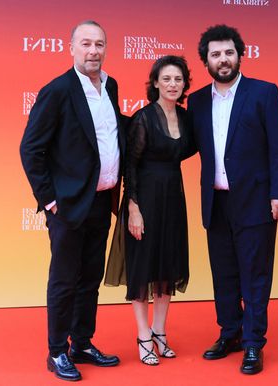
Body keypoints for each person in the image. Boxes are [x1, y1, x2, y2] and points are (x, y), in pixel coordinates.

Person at [20, 20, 123, 382]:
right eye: (85, 44)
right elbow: (30, 148)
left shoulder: (111, 86)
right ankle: (57, 352)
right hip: (67, 205)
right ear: (71, 48)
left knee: (90, 277)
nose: (93, 51)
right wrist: (49, 199)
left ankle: (81, 342)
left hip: (101, 201)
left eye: (99, 44)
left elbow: (108, 137)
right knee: (64, 279)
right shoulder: (58, 90)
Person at [187, 25, 278, 375]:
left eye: (229, 52)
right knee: (224, 274)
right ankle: (229, 332)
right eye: (215, 54)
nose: (223, 59)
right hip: (215, 202)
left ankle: (252, 343)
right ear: (206, 60)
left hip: (256, 201)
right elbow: (186, 143)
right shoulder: (198, 100)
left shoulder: (264, 93)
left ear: (239, 55)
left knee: (255, 274)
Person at [108, 55, 194, 366]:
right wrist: (133, 208)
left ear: (185, 84)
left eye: (178, 79)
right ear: (155, 83)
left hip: (173, 198)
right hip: (143, 199)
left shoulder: (186, 119)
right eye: (167, 79)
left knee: (167, 267)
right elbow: (129, 166)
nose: (173, 84)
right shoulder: (143, 118)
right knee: (143, 267)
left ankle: (160, 331)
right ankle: (143, 335)